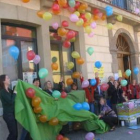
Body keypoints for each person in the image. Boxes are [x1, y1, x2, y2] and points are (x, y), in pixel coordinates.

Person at [0, 75, 18, 140]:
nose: (9, 79)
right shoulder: (2, 92)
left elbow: (14, 91)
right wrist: (15, 93)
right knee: (13, 134)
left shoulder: (8, 90)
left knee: (15, 134)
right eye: (7, 78)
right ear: (3, 81)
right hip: (8, 115)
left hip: (12, 114)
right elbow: (11, 101)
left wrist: (18, 85)